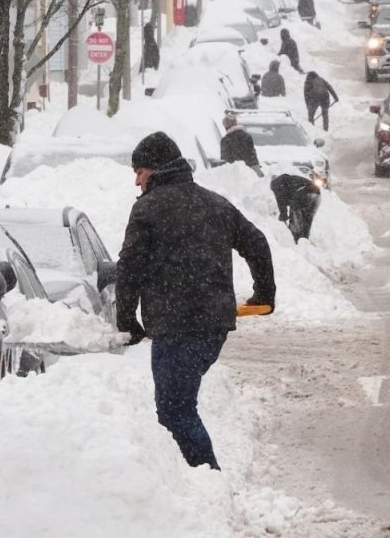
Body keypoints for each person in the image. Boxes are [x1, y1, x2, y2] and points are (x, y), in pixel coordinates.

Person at [116, 132, 276, 470]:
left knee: (175, 410)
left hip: (177, 326)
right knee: (178, 406)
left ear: (155, 169)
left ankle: (207, 479)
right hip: (213, 326)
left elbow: (130, 269)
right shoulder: (215, 203)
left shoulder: (147, 210)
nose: (136, 180)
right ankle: (185, 480)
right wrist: (265, 294)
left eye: (139, 171)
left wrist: (127, 320)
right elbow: (257, 244)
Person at [270, 174, 322, 243]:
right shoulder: (290, 180)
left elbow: (280, 200)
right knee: (308, 218)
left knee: (295, 217)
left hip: (303, 193)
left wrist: (283, 214)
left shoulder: (276, 184)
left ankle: (295, 239)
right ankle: (304, 240)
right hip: (317, 195)